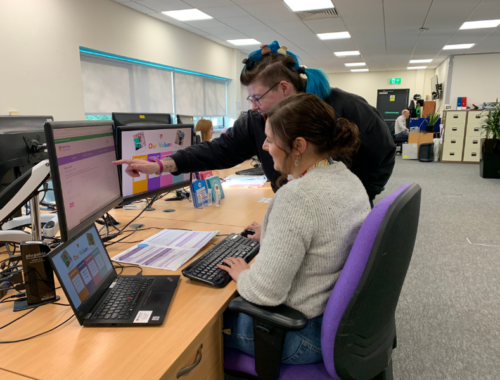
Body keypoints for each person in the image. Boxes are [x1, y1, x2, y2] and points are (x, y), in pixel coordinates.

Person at [113, 40, 395, 205]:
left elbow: (382, 156)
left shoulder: (347, 108)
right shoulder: (259, 119)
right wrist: (161, 165)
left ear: (284, 88)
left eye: (257, 98)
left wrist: (357, 199)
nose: (254, 107)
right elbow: (219, 150)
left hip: (338, 211)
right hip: (291, 208)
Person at [216, 93, 370, 364]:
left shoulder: (298, 196)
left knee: (200, 325)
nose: (264, 146)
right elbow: (328, 231)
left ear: (298, 145)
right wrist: (277, 236)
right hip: (336, 322)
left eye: (271, 140)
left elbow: (265, 294)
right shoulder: (348, 177)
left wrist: (242, 275)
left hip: (296, 333)